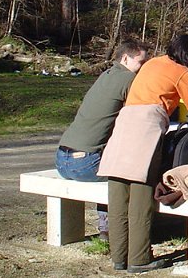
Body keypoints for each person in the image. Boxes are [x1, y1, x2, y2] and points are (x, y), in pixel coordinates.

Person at [97, 34, 188, 273]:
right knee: (141, 195)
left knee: (118, 192)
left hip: (124, 123)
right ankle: (139, 258)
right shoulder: (182, 72)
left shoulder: (153, 63)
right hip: (146, 128)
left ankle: (118, 256)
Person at [55, 39, 149, 239]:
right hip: (85, 163)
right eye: (141, 62)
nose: (143, 68)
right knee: (124, 171)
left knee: (111, 159)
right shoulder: (128, 79)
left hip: (62, 158)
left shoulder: (106, 75)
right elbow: (139, 113)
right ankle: (111, 228)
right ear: (125, 58)